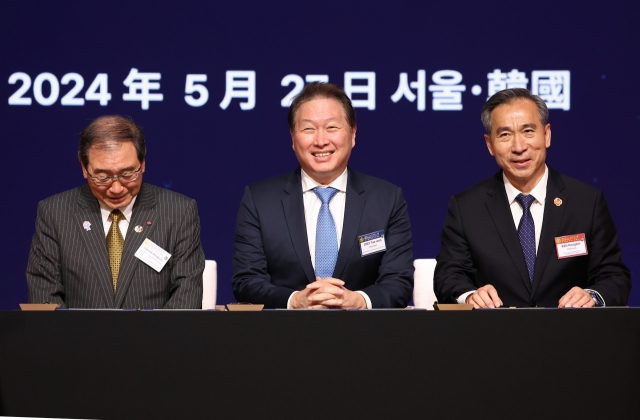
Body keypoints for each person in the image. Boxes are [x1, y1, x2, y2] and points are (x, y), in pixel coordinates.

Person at [434, 88, 631, 308]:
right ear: (489, 144)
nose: (519, 147)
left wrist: (592, 296)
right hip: (493, 336)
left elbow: (614, 276)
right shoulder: (467, 208)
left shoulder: (586, 201)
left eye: (528, 131)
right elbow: (448, 276)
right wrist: (470, 297)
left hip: (569, 336)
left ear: (546, 134)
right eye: (505, 135)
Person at [232, 82, 414, 309]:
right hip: (282, 337)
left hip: (365, 336)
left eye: (331, 128)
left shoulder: (386, 199)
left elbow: (399, 282)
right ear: (292, 138)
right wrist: (295, 300)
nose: (320, 141)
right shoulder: (259, 201)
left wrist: (357, 300)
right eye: (308, 129)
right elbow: (246, 280)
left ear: (353, 133)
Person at [26, 115, 204, 308]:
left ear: (143, 163)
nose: (117, 188)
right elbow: (44, 297)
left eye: (128, 174)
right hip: (78, 337)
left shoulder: (178, 212)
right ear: (84, 168)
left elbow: (186, 297)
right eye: (102, 177)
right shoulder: (55, 213)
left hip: (155, 337)